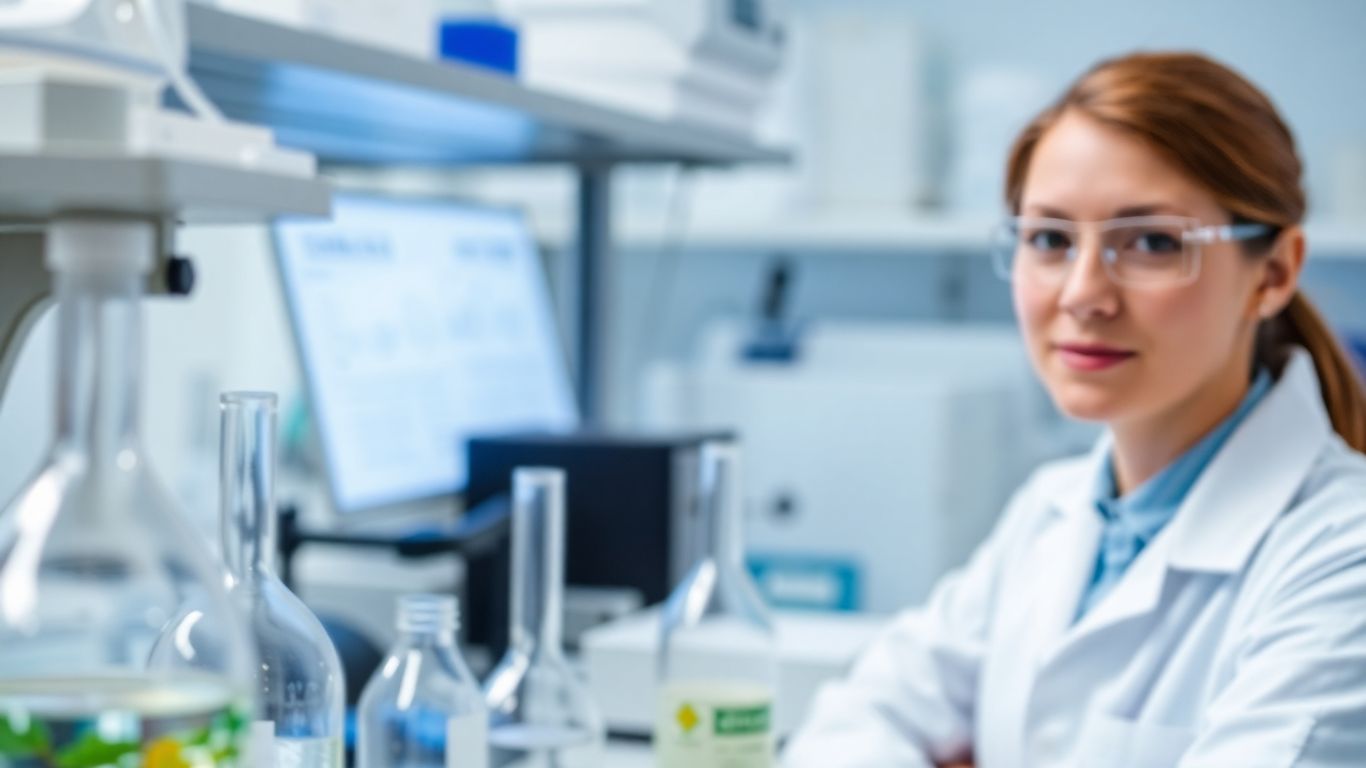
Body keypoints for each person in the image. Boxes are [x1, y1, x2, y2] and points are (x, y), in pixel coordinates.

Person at [783, 51, 1366, 767]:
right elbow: (852, 726)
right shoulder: (1047, 514)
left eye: (1152, 242)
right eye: (1051, 240)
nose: (1083, 293)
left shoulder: (1343, 559)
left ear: (1272, 274)